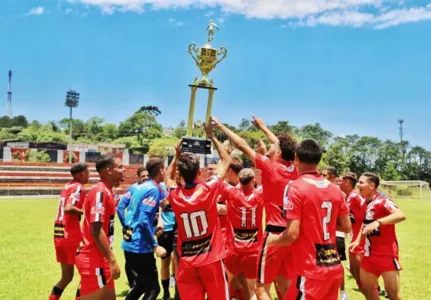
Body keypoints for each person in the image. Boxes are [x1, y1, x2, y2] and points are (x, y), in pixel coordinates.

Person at [212, 114, 298, 299]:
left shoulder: (270, 167)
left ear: (279, 153)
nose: (271, 147)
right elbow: (284, 146)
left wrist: (221, 126)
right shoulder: (296, 168)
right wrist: (264, 128)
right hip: (293, 232)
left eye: (274, 147)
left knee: (261, 289)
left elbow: (242, 145)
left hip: (275, 234)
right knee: (285, 285)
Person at [267, 139, 351, 299]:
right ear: (319, 159)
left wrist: (271, 240)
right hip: (333, 266)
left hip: (310, 270)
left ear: (296, 158)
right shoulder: (335, 189)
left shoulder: (295, 188)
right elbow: (347, 227)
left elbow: (291, 235)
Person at [164, 120, 231, 300]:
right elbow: (226, 160)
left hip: (187, 262)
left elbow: (166, 178)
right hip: (211, 259)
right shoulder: (208, 189)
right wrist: (212, 136)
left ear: (181, 173)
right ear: (199, 173)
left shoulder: (175, 194)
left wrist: (176, 156)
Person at [75, 155, 125, 300]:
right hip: (94, 259)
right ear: (109, 171)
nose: (124, 169)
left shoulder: (106, 191)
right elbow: (96, 230)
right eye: (120, 167)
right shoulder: (100, 192)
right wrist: (112, 260)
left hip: (100, 258)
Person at [350, 172, 406, 300]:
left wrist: (378, 222)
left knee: (393, 295)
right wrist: (358, 241)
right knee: (367, 289)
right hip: (369, 255)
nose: (358, 185)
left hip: (386, 255)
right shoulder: (363, 203)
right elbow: (365, 224)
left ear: (372, 185)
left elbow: (400, 215)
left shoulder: (383, 201)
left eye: (361, 182)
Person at [121, 158, 167, 300]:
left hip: (131, 242)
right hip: (140, 245)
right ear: (160, 171)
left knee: (141, 285)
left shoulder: (141, 187)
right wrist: (155, 246)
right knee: (153, 289)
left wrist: (155, 225)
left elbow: (137, 215)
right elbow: (142, 220)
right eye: (164, 169)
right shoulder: (152, 189)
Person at [221, 168, 264, 300]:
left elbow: (219, 180)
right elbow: (270, 182)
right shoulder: (260, 194)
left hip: (234, 249)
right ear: (253, 180)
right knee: (252, 291)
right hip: (254, 250)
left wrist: (226, 159)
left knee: (224, 285)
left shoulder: (232, 193)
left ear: (238, 181)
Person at [50, 163, 89, 300]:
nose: (89, 174)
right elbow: (68, 207)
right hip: (71, 236)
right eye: (87, 172)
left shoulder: (67, 186)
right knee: (87, 275)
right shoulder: (79, 187)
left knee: (66, 277)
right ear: (82, 174)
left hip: (59, 234)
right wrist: (85, 212)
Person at [116, 166, 149, 289]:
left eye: (147, 175)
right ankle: (132, 285)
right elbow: (120, 207)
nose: (145, 178)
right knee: (129, 257)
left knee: (144, 257)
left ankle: (141, 283)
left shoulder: (152, 188)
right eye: (143, 176)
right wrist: (125, 224)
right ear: (138, 177)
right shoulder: (133, 189)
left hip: (144, 229)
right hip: (130, 228)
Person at [322, 166, 348, 300]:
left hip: (336, 234)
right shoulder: (319, 190)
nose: (322, 178)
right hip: (322, 234)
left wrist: (331, 225)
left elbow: (345, 221)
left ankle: (342, 291)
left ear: (333, 177)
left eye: (325, 175)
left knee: (337, 263)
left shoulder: (339, 193)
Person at [339, 172, 367, 291]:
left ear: (347, 182)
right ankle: (366, 287)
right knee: (354, 267)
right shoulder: (347, 196)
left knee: (358, 266)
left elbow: (368, 208)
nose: (338, 183)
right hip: (353, 234)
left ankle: (371, 288)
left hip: (360, 236)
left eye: (340, 181)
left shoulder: (356, 196)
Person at [158, 187, 177, 300]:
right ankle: (166, 293)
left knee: (176, 260)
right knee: (165, 261)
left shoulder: (182, 185)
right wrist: (159, 219)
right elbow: (159, 205)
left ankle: (177, 292)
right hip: (165, 230)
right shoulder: (161, 187)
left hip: (178, 229)